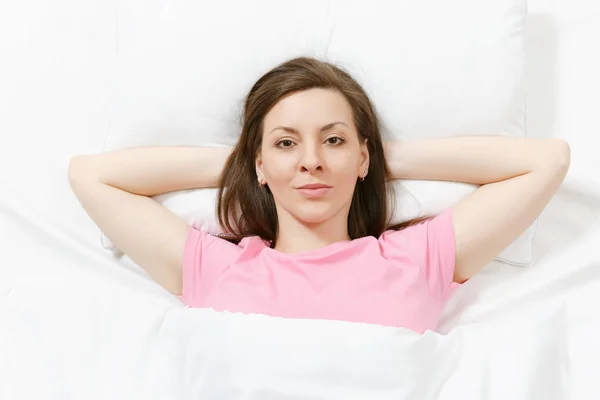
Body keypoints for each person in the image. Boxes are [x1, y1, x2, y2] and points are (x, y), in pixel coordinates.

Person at [68, 57, 570, 334]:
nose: (311, 160)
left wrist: (374, 159)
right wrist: (248, 162)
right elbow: (91, 176)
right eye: (287, 143)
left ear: (364, 157)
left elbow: (547, 161)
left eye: (333, 140)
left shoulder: (414, 259)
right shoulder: (218, 267)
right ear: (259, 163)